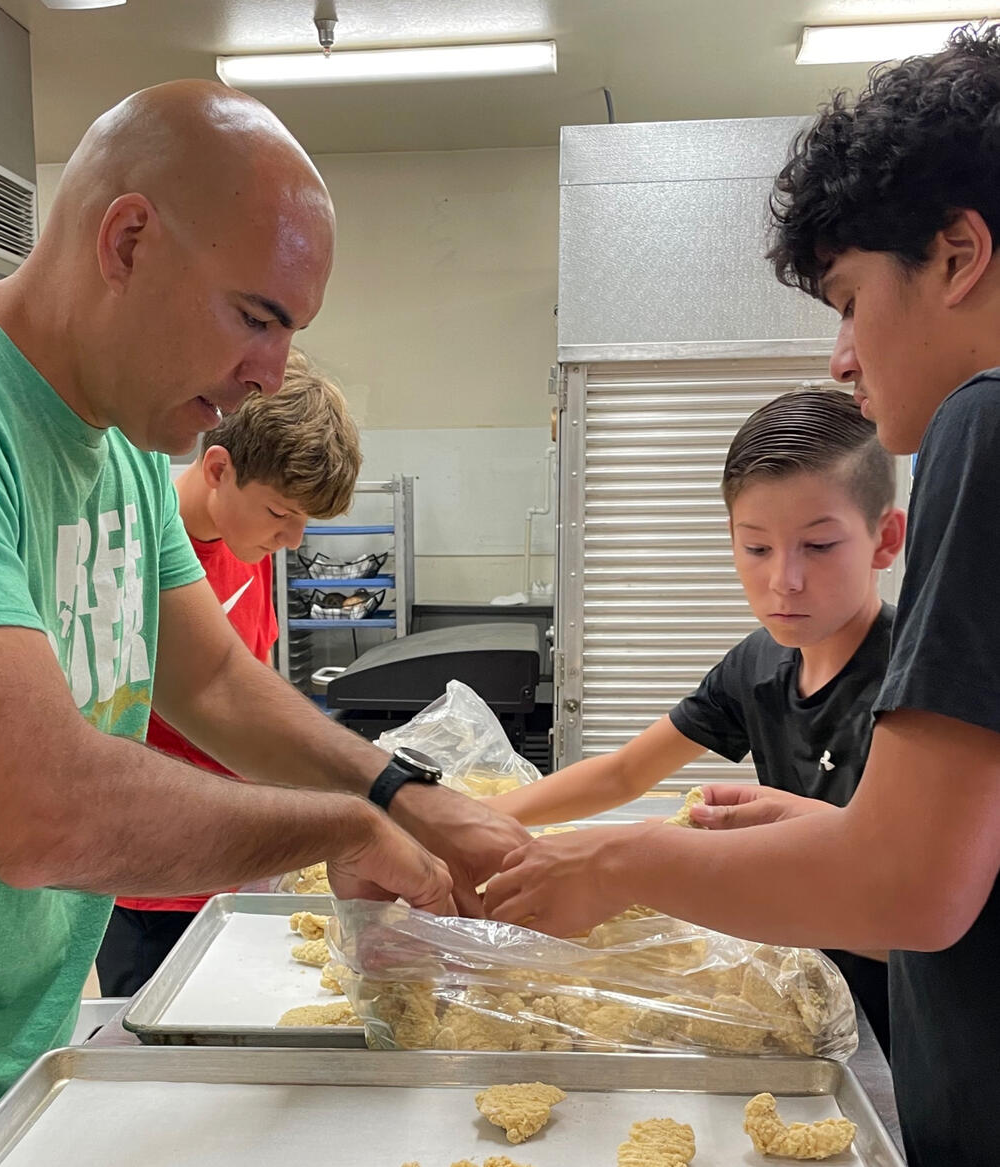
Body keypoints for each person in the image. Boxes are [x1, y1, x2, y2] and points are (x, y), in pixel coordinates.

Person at [0, 81, 527, 1165]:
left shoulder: (124, 443)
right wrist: (342, 828)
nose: (270, 373)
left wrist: (405, 797)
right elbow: (33, 805)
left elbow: (215, 683)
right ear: (126, 240)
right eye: (256, 317)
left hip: (10, 1050)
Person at [484, 29, 1000, 1167]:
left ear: (958, 254)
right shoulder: (754, 666)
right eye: (756, 548)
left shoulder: (986, 419)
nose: (842, 356)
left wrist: (612, 866)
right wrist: (831, 831)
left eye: (850, 299)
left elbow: (913, 890)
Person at [486, 388, 903, 1053]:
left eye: (819, 545)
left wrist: (643, 869)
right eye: (757, 548)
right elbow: (624, 772)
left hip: (901, 1025)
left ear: (886, 539)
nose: (785, 579)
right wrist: (474, 820)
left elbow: (913, 912)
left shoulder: (915, 688)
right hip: (806, 1008)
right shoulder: (760, 664)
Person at [96, 350, 362, 996]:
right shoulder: (130, 554)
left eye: (304, 521)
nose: (293, 540)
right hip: (151, 885)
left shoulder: (248, 545)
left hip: (237, 860)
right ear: (218, 469)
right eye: (281, 514)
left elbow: (254, 685)